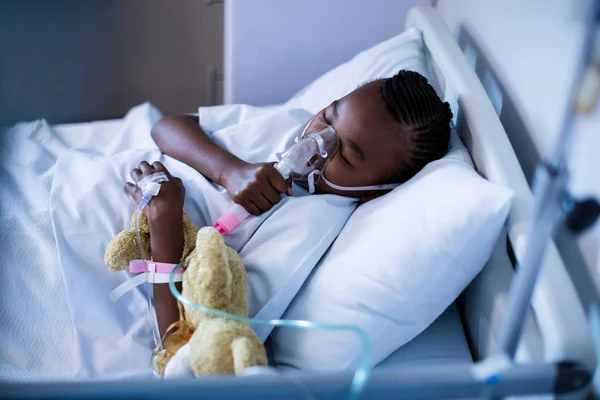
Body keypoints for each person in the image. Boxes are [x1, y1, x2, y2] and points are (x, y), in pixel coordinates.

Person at [124, 70, 453, 342]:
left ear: (376, 192)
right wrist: (227, 170)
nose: (315, 140)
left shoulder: (309, 229)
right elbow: (165, 127)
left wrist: (164, 223)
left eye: (347, 155)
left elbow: (186, 341)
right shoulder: (290, 123)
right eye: (327, 117)